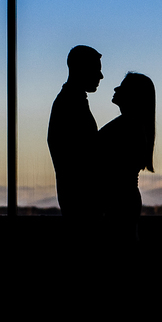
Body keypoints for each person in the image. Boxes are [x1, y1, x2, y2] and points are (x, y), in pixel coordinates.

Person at [95, 72, 156, 241]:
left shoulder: (128, 127)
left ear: (134, 95)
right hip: (123, 201)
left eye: (123, 86)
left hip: (117, 203)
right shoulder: (133, 126)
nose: (116, 88)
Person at [48, 46, 104, 216]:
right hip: (81, 201)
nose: (100, 76)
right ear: (82, 69)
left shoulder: (68, 101)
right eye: (96, 70)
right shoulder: (70, 104)